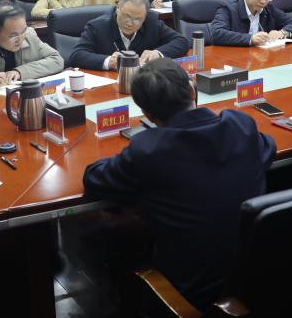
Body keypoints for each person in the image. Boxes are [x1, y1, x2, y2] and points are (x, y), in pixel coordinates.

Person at [83, 58, 276, 310]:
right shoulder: (241, 126)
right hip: (257, 279)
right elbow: (268, 147)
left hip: (189, 295)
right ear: (193, 91)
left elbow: (94, 178)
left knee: (109, 229)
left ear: (146, 113)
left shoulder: (148, 150)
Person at [68, 0, 189, 70]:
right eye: (126, 16)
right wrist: (109, 61)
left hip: (143, 84)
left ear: (145, 17)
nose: (130, 23)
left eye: (137, 19)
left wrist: (157, 53)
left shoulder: (151, 22)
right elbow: (76, 56)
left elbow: (182, 41)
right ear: (118, 7)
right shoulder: (98, 26)